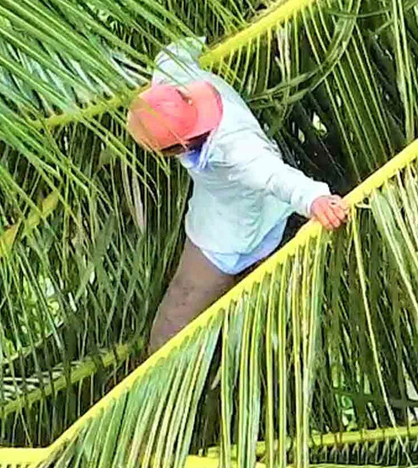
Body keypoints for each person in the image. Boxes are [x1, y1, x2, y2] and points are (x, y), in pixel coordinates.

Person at [129, 40, 349, 352]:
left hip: (230, 237)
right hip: (232, 208)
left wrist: (316, 200)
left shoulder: (237, 151)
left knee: (176, 318)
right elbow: (173, 51)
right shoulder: (175, 81)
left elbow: (275, 176)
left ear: (176, 149)